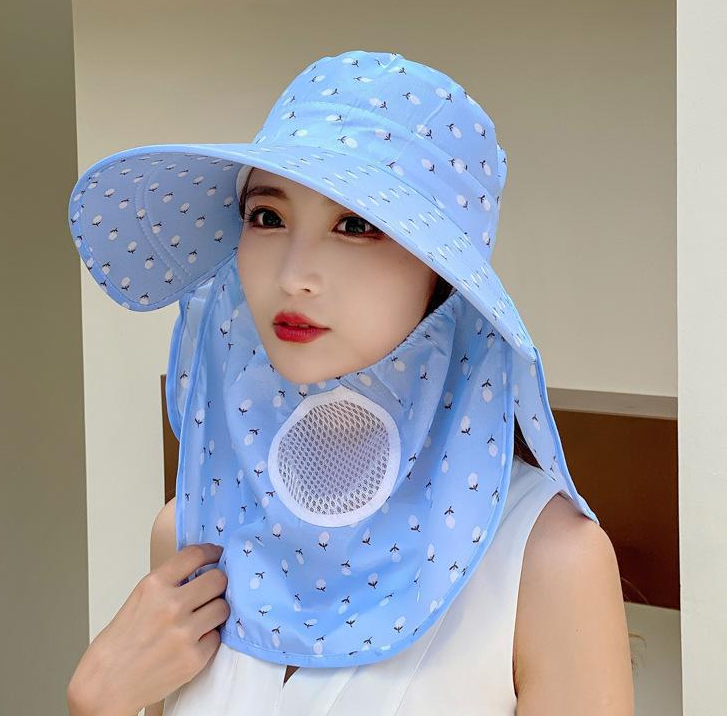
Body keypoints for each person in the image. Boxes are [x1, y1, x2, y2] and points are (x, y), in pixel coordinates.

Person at [66, 50, 634, 715]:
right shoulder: (193, 530)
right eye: (267, 217)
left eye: (357, 225)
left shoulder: (548, 562)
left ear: (444, 275)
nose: (293, 276)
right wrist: (97, 704)